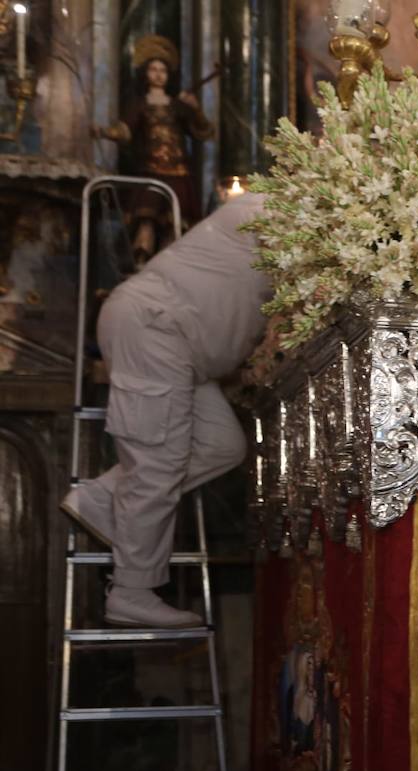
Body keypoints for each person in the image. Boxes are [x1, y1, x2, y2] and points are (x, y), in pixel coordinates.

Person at [61, 191, 271, 628]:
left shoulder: (279, 213)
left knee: (222, 444)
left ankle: (101, 499)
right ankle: (131, 590)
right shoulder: (272, 211)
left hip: (179, 344)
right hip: (156, 326)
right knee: (158, 460)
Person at [95, 35, 214, 263]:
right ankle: (141, 265)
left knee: (175, 226)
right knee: (145, 222)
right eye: (153, 69)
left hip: (179, 174)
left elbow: (204, 132)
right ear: (145, 74)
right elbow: (124, 130)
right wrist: (103, 132)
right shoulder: (140, 105)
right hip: (150, 173)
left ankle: (170, 267)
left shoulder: (178, 106)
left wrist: (196, 110)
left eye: (163, 70)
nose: (159, 74)